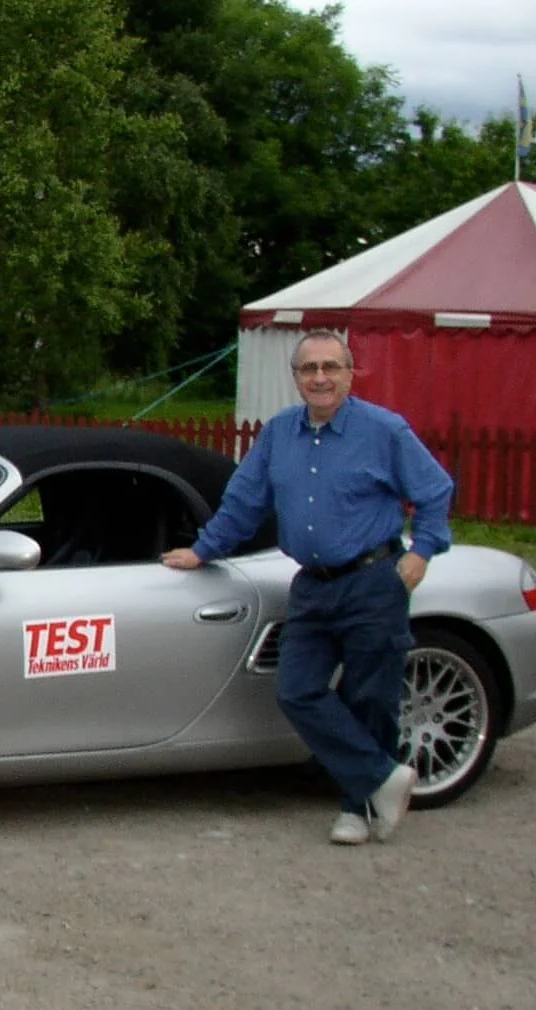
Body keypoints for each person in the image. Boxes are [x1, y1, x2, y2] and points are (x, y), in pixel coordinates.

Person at [160, 330, 454, 845]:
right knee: (296, 691)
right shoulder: (278, 434)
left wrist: (421, 554)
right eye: (309, 369)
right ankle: (383, 777)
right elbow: (245, 500)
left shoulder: (384, 430)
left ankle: (357, 811)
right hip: (313, 587)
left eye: (330, 367)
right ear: (295, 377)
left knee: (370, 698)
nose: (320, 378)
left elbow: (435, 491)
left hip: (372, 581)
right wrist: (203, 550)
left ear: (349, 372)